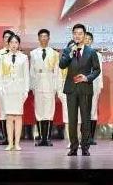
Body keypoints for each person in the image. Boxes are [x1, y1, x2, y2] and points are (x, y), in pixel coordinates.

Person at [59, 24, 101, 156]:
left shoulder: (91, 52)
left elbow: (97, 70)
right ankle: (73, 147)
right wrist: (70, 54)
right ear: (73, 35)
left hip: (85, 88)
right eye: (75, 33)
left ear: (84, 35)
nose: (77, 36)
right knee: (72, 120)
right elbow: (62, 65)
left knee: (86, 119)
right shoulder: (68, 50)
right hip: (71, 89)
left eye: (80, 33)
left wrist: (87, 78)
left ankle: (85, 146)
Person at [0, 34, 29, 151]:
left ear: (19, 44)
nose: (14, 45)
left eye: (16, 42)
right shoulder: (3, 57)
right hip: (7, 90)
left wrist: (26, 90)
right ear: (8, 44)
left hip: (19, 90)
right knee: (9, 116)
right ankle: (10, 143)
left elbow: (26, 75)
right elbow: (0, 75)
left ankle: (17, 143)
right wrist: (1, 88)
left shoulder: (24, 58)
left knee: (18, 116)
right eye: (11, 42)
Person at [30, 29, 60, 147]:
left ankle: (47, 138)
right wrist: (32, 86)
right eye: (41, 36)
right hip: (38, 84)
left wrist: (56, 87)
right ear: (38, 38)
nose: (43, 38)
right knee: (39, 111)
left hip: (50, 84)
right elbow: (31, 71)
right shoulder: (33, 53)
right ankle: (41, 138)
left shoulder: (54, 53)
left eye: (45, 36)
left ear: (49, 38)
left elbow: (57, 71)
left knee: (49, 111)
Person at [0, 29, 14, 145]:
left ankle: (14, 137)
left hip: (14, 88)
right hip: (2, 87)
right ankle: (6, 137)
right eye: (5, 37)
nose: (7, 39)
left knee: (13, 112)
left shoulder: (17, 53)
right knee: (3, 112)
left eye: (9, 37)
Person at [85, 32, 103, 145]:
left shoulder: (98, 55)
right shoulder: (79, 53)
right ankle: (83, 136)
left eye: (89, 39)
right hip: (82, 85)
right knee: (83, 111)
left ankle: (91, 137)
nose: (87, 40)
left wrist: (100, 85)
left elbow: (100, 72)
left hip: (94, 85)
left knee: (93, 110)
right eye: (85, 38)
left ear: (92, 41)